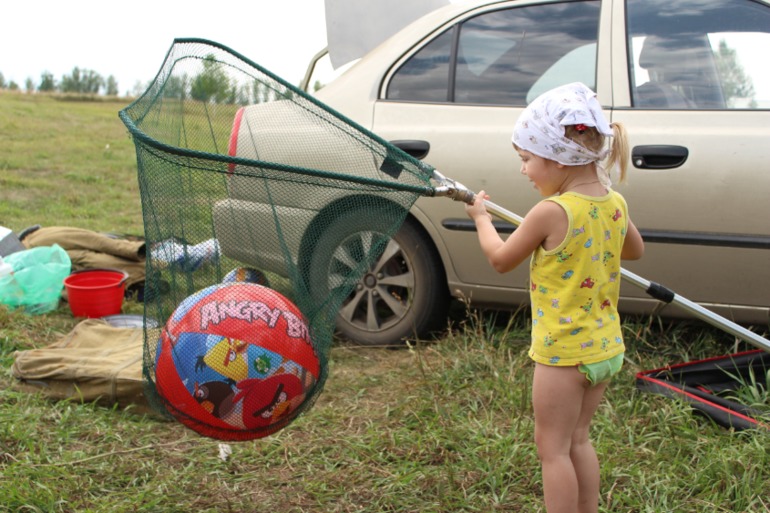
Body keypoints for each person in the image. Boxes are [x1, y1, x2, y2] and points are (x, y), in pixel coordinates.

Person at [465, 82, 644, 513]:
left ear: (554, 157)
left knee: (553, 450)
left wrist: (480, 217)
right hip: (604, 348)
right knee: (578, 438)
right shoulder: (614, 202)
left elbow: (501, 260)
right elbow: (634, 250)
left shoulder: (551, 211)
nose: (524, 170)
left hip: (564, 353)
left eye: (526, 159)